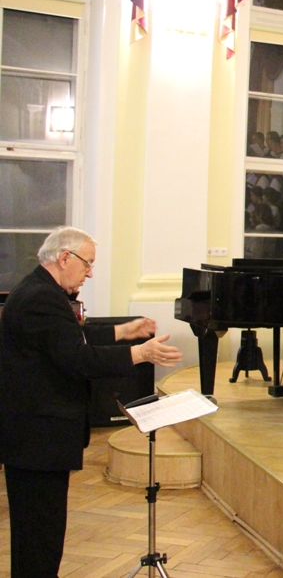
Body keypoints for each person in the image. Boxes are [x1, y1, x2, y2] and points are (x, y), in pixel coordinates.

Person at [0, 227, 183, 578]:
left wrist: (122, 331)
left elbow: (68, 337)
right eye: (87, 264)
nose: (90, 273)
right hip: (36, 439)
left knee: (38, 537)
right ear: (64, 258)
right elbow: (78, 358)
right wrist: (140, 353)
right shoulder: (41, 299)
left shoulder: (40, 291)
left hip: (35, 439)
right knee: (39, 539)